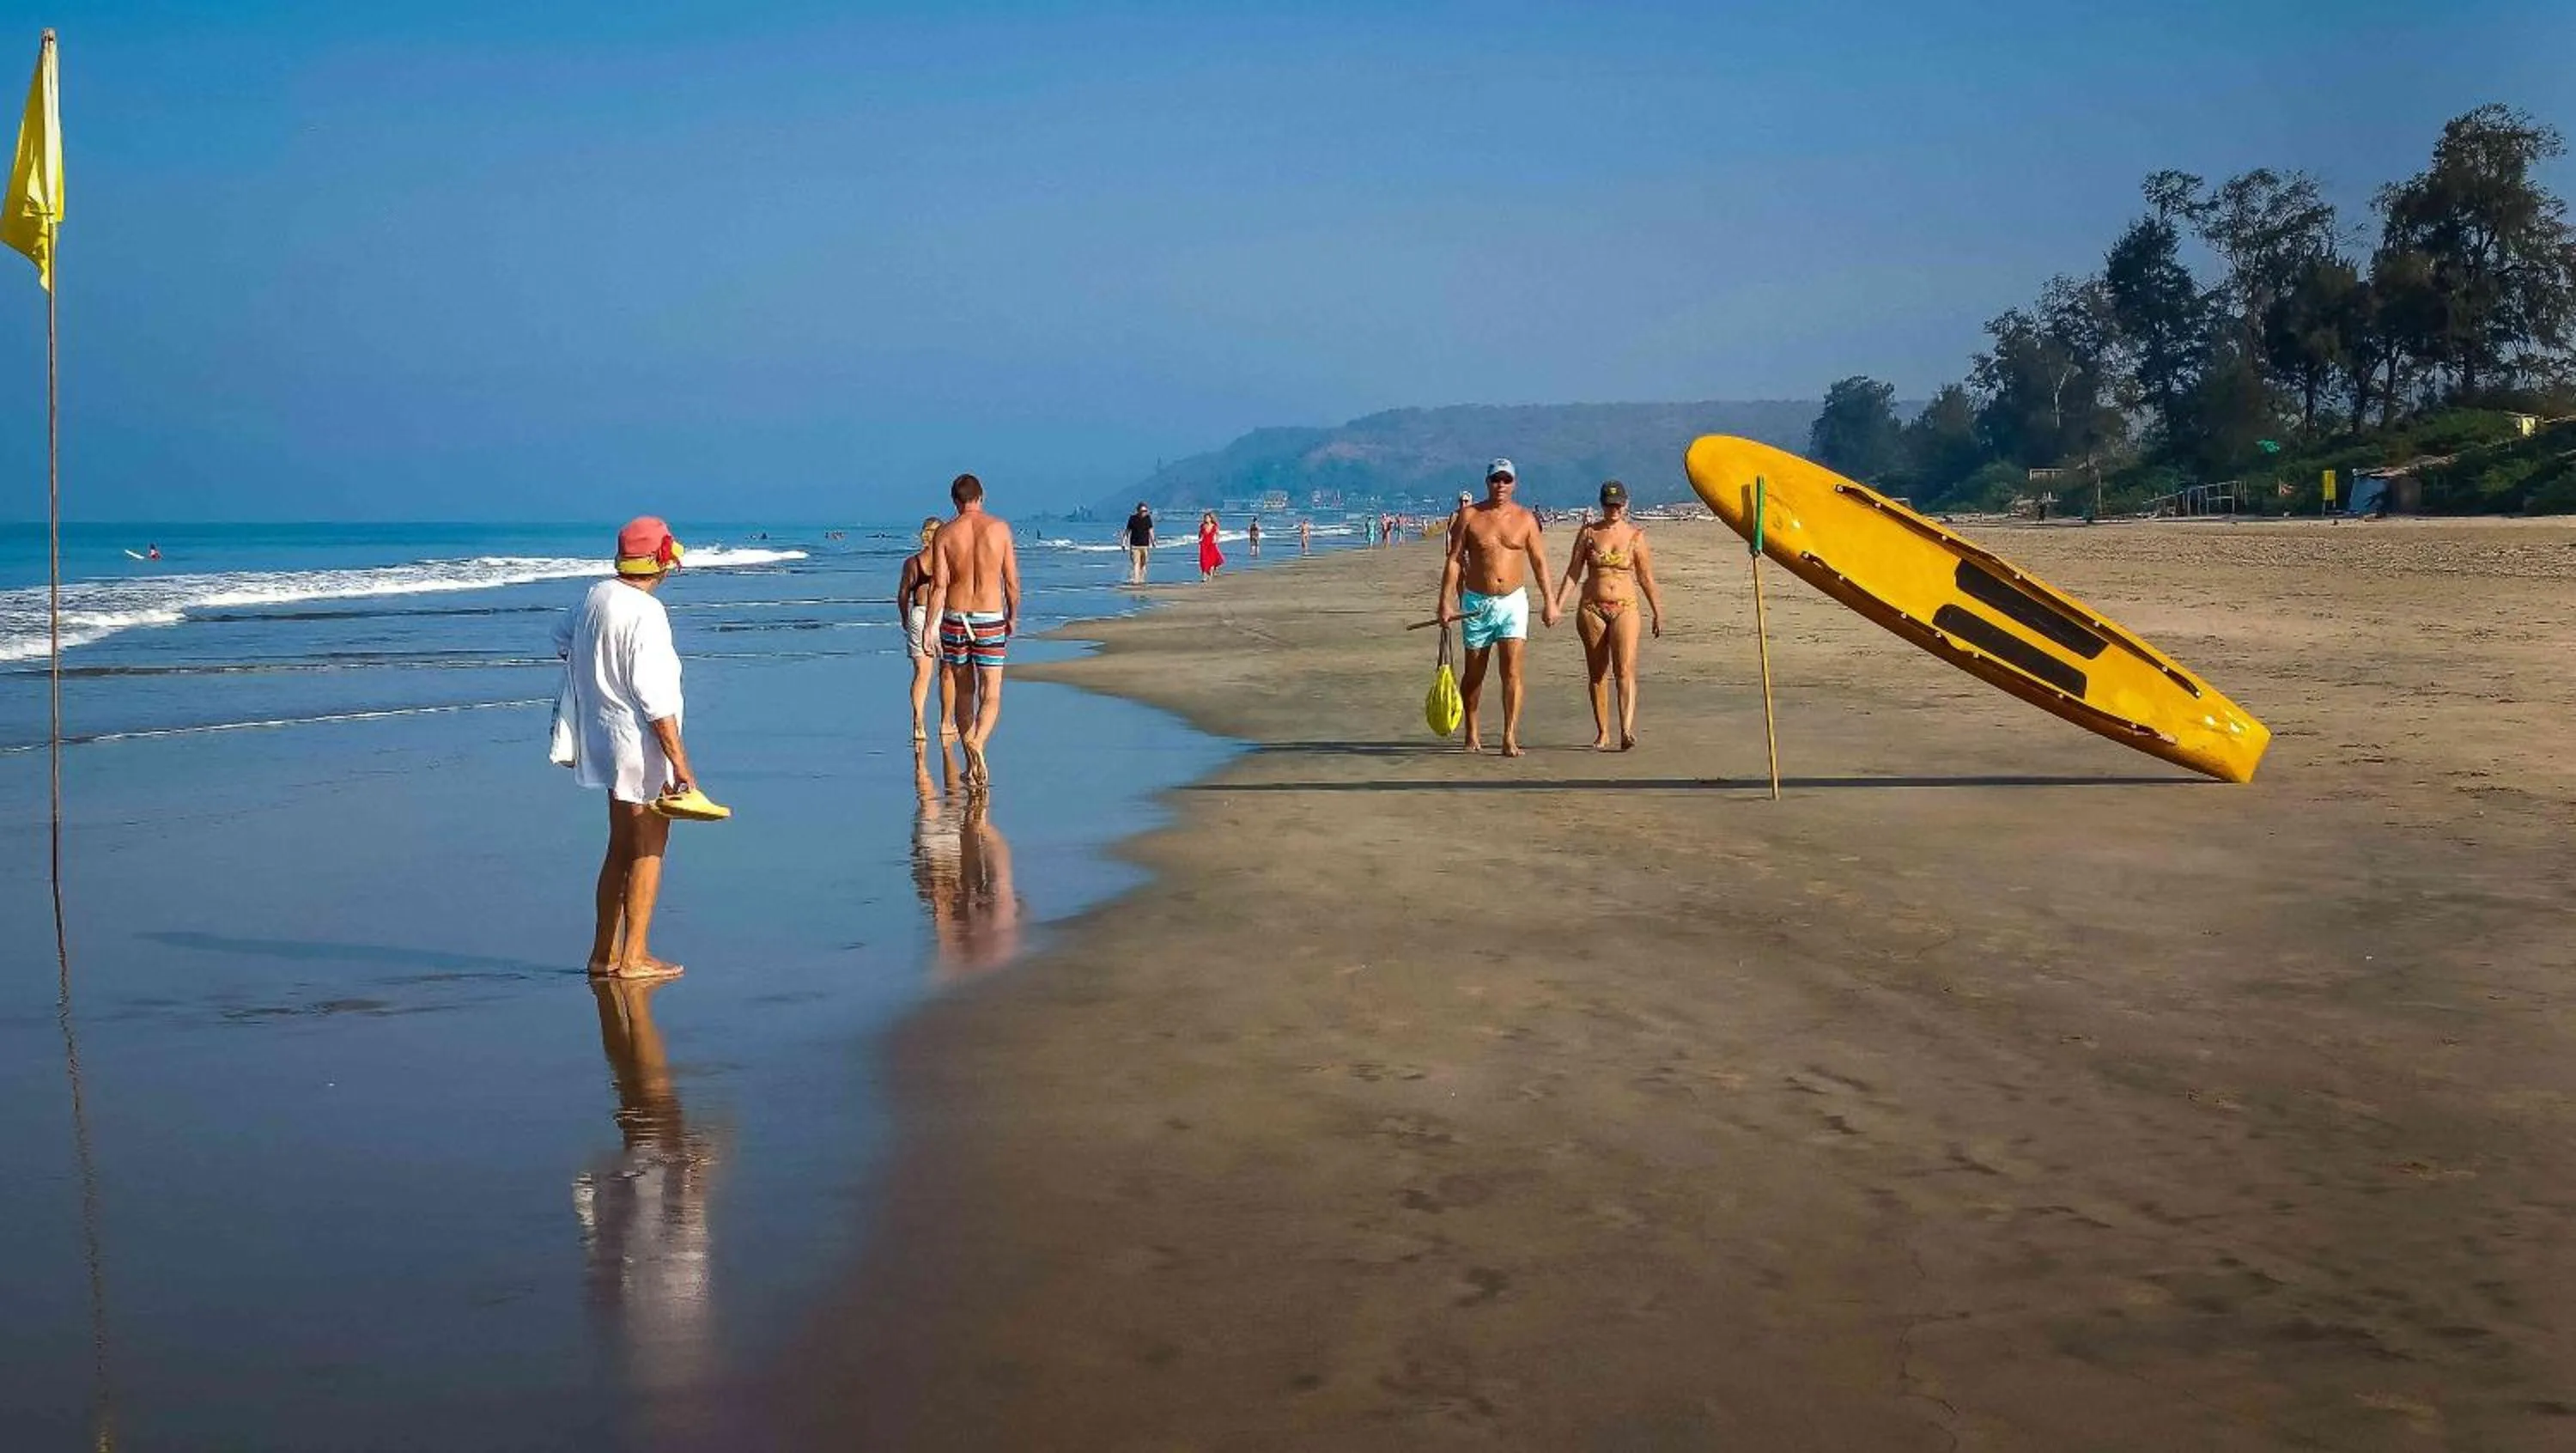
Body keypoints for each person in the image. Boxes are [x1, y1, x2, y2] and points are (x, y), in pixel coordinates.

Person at [554, 516, 702, 980]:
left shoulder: (595, 595)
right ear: (660, 561)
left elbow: (560, 638)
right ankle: (634, 957)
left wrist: (599, 678)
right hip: (639, 744)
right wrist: (681, 763)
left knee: (619, 846)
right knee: (649, 849)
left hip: (602, 737)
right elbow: (654, 697)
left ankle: (603, 955)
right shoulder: (646, 613)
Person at [1437, 459, 1557, 756]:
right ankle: (1472, 731)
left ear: (1514, 483)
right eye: (1495, 479)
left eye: (1506, 479)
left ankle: (1509, 736)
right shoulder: (1469, 515)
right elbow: (1454, 560)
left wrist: (1550, 601)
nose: (1500, 485)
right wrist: (1445, 603)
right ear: (1487, 482)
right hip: (1476, 600)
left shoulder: (1526, 519)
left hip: (1513, 601)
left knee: (1512, 671)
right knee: (1474, 672)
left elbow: (1539, 562)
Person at [1551, 479, 1666, 751]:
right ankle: (1603, 732)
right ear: (1602, 505)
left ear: (1625, 505)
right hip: (1592, 607)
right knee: (1597, 671)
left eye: (1618, 505)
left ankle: (1626, 729)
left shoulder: (1636, 536)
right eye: (1609, 505)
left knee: (1624, 669)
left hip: (1625, 606)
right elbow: (1573, 572)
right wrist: (1557, 604)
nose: (1613, 510)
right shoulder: (1589, 533)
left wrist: (1657, 611)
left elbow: (1646, 578)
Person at [926, 473, 1020, 791]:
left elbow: (939, 586)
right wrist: (1012, 616)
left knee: (963, 693)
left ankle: (970, 764)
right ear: (982, 496)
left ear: (955, 501)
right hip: (990, 616)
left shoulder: (945, 533)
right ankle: (978, 742)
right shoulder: (1000, 529)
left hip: (955, 617)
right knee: (990, 692)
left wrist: (929, 628)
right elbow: (1011, 582)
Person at [895, 517, 951, 744]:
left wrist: (904, 617)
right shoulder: (949, 560)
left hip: (919, 613)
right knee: (947, 672)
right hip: (945, 616)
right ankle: (946, 722)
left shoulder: (912, 563)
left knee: (922, 674)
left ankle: (919, 721)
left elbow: (903, 595)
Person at [1123, 501, 1156, 585]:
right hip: (1135, 546)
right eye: (1142, 511)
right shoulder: (1132, 519)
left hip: (1145, 546)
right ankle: (1136, 580)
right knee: (1136, 563)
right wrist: (1124, 543)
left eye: (1145, 511)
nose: (1144, 513)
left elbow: (1150, 530)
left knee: (1143, 563)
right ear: (1138, 511)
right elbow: (1127, 531)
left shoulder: (1148, 518)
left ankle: (1141, 578)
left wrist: (1153, 541)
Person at [1197, 511, 1225, 581]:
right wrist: (1200, 539)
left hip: (1211, 544)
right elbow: (1200, 534)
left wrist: (1216, 540)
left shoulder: (1214, 526)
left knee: (1212, 559)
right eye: (1205, 518)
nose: (1206, 519)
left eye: (1207, 518)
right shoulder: (1203, 526)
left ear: (1211, 518)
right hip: (1204, 544)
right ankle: (1204, 575)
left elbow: (1218, 534)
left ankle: (1211, 572)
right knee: (1203, 560)